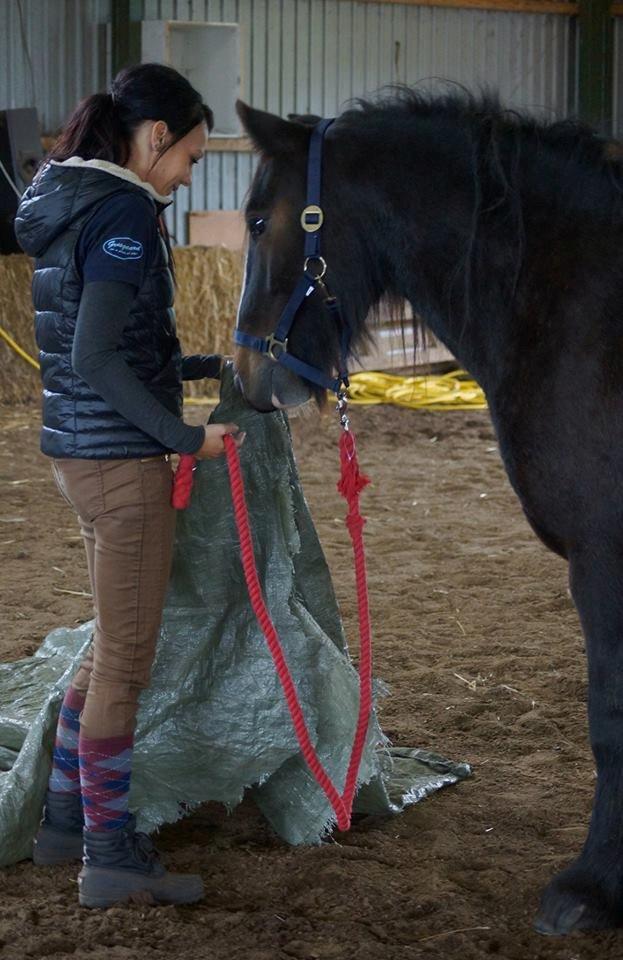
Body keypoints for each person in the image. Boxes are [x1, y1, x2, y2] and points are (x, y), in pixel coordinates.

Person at [14, 62, 244, 909]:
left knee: (108, 649)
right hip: (120, 468)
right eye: (187, 155)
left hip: (81, 455)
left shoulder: (72, 201)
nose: (188, 174)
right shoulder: (121, 213)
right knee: (125, 669)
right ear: (154, 139)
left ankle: (67, 822)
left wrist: (199, 365)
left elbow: (103, 339)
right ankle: (109, 856)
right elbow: (93, 357)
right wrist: (186, 437)